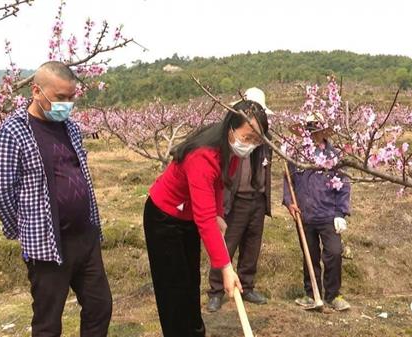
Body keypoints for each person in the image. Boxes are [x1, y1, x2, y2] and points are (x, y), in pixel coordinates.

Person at [0, 61, 112, 336]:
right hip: (48, 243)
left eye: (71, 98)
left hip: (85, 236)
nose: (66, 104)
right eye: (60, 98)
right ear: (36, 91)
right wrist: (24, 228)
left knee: (99, 307)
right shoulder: (13, 132)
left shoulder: (71, 128)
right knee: (48, 319)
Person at [143, 99, 269, 337]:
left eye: (256, 140)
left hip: (186, 217)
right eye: (247, 137)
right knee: (173, 288)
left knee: (190, 284)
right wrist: (226, 268)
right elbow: (204, 219)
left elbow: (220, 182)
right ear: (231, 127)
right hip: (164, 218)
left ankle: (193, 332)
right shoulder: (202, 156)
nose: (250, 145)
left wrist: (219, 214)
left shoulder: (228, 148)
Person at [207, 88, 273, 312]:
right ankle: (216, 290)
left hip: (258, 198)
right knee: (227, 245)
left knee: (252, 246)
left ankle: (247, 285)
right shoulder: (233, 138)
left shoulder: (265, 139)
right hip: (236, 200)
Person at [282, 115, 352, 311]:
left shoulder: (334, 156)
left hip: (329, 214)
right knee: (309, 255)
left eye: (316, 130)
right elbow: (288, 181)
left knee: (334, 253)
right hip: (305, 214)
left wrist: (341, 213)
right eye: (309, 131)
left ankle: (333, 295)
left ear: (324, 132)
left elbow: (344, 186)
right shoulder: (297, 155)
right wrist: (289, 202)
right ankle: (311, 293)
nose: (313, 135)